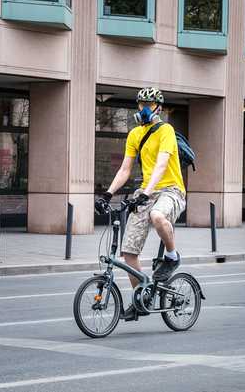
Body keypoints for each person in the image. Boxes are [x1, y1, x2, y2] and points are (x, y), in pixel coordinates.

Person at [94, 87, 186, 321]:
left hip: (171, 190)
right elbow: (125, 169)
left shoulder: (166, 130)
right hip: (146, 192)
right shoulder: (135, 134)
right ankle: (141, 297)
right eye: (141, 104)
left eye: (149, 104)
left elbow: (161, 165)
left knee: (157, 216)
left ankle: (172, 256)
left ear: (158, 107)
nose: (144, 108)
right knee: (128, 252)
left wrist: (146, 191)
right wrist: (107, 193)